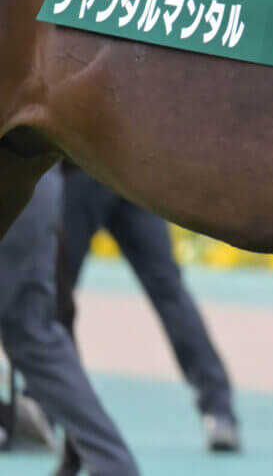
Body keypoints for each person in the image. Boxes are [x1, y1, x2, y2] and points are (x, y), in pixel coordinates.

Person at [53, 163, 240, 468]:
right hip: (129, 171)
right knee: (170, 292)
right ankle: (219, 411)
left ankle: (44, 410)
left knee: (52, 303)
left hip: (82, 171)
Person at [0, 167, 139, 476]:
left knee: (32, 335)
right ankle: (113, 467)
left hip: (15, 188)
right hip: (37, 187)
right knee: (33, 336)